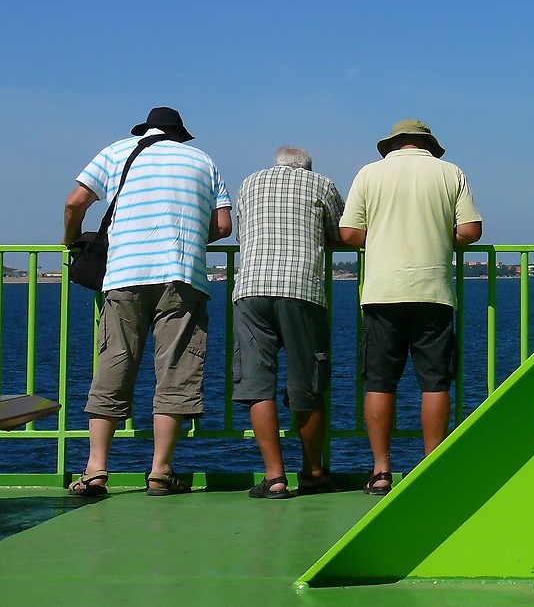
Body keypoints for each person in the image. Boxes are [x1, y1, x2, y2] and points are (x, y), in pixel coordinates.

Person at [62, 107, 232, 497]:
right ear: (180, 134)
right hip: (182, 275)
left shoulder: (117, 151)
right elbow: (223, 226)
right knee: (176, 370)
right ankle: (160, 470)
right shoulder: (203, 160)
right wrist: (186, 239)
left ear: (146, 129)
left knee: (114, 364)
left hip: (124, 275)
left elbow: (75, 202)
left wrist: (68, 239)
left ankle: (95, 469)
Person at [339, 119, 482, 495]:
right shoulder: (451, 172)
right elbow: (470, 231)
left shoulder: (370, 173)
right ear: (427, 145)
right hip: (433, 289)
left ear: (393, 144)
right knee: (434, 382)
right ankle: (431, 464)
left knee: (380, 382)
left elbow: (350, 234)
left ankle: (381, 470)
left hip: (383, 291)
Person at [232, 146, 345, 499]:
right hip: (301, 289)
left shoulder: (249, 183)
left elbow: (241, 232)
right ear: (307, 168)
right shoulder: (321, 185)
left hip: (250, 288)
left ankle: (275, 477)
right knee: (308, 383)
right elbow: (339, 233)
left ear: (275, 163)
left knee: (256, 383)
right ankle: (312, 471)